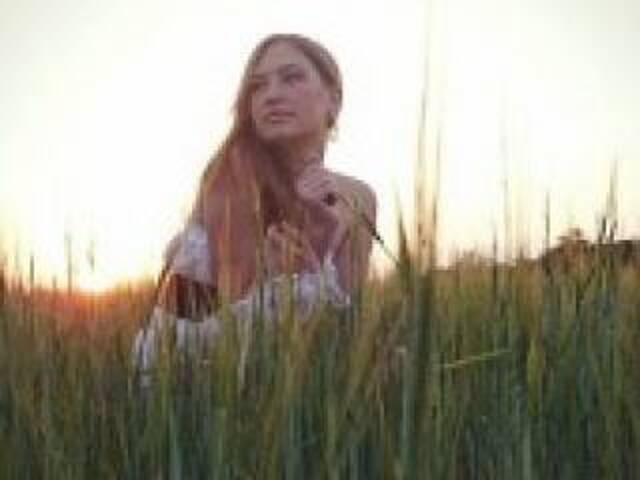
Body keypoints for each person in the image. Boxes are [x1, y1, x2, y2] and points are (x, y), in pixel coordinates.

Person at [132, 33, 377, 380]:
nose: (272, 94)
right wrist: (281, 280)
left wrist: (316, 263)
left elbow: (345, 333)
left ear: (333, 100)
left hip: (311, 385)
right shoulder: (229, 181)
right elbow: (204, 336)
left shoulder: (359, 196)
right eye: (257, 86)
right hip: (192, 377)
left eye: (291, 78)